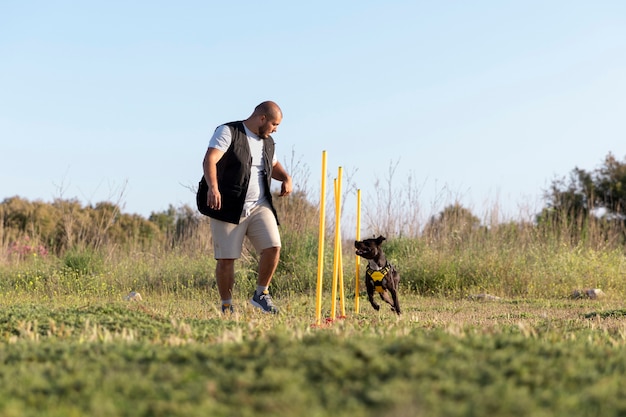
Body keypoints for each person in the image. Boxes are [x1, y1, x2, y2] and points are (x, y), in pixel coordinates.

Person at [201, 101, 292, 314]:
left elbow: (273, 164)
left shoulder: (267, 141)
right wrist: (213, 188)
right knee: (226, 259)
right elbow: (210, 159)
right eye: (274, 124)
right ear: (262, 119)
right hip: (228, 206)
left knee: (273, 247)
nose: (275, 129)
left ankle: (261, 294)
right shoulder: (228, 131)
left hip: (260, 205)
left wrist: (285, 177)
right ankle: (226, 305)